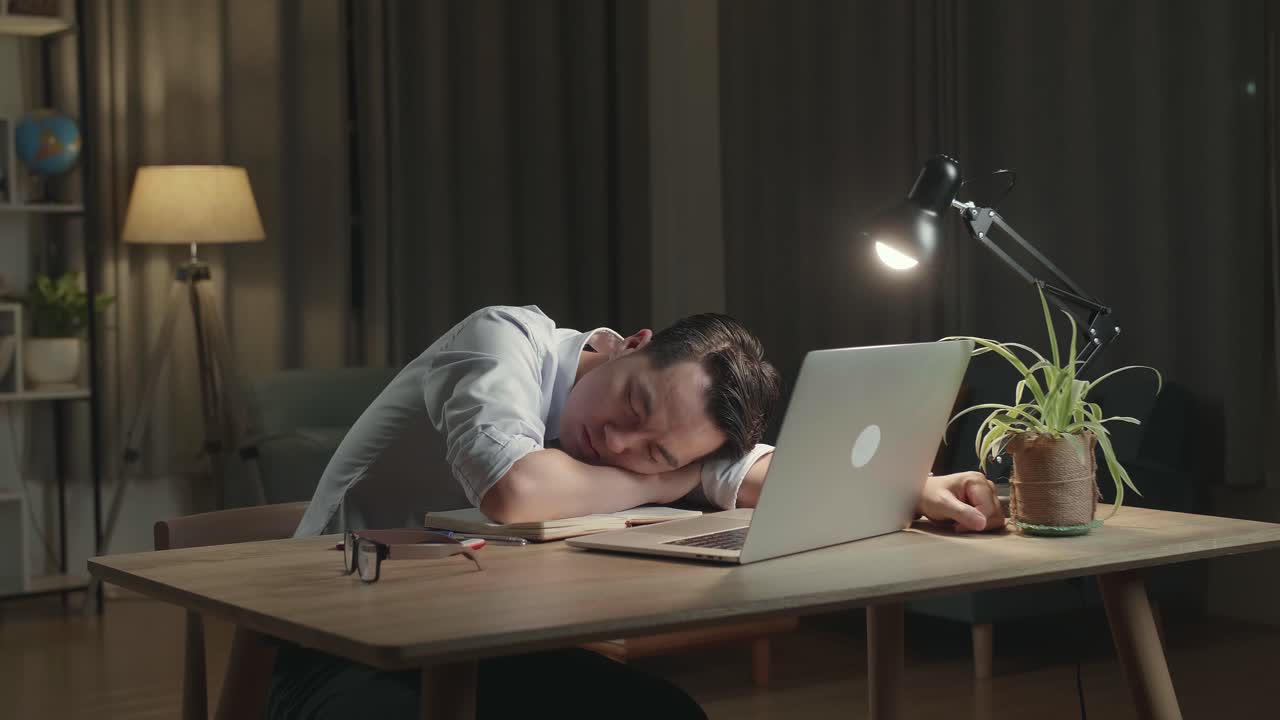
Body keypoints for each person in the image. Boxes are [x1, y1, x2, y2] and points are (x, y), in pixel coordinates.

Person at [269, 305, 1003, 719]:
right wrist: (657, 481)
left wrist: (915, 488)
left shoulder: (666, 438)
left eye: (657, 453)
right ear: (633, 343)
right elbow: (515, 493)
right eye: (635, 403)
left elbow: (762, 473)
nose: (618, 441)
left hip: (480, 649)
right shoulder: (502, 343)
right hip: (331, 646)